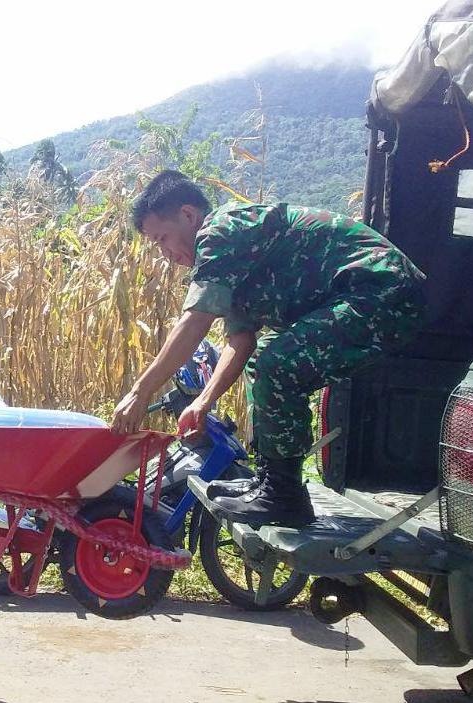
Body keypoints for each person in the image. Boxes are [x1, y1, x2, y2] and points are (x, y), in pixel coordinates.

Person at [111, 170, 426, 527]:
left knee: (278, 364)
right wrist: (203, 403)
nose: (165, 253)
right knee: (265, 361)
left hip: (382, 290)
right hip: (365, 296)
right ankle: (271, 482)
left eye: (162, 238)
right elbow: (240, 342)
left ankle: (284, 496)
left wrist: (140, 392)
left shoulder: (221, 230)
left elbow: (195, 320)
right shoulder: (228, 259)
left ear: (188, 214)